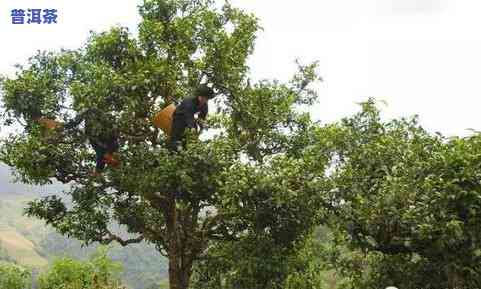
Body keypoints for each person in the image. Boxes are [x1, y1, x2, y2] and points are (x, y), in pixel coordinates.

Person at [64, 108, 120, 173]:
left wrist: (97, 173)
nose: (106, 162)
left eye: (108, 163)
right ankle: (63, 126)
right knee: (74, 123)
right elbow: (112, 128)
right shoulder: (114, 146)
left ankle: (64, 126)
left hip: (92, 130)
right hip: (96, 120)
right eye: (109, 161)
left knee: (75, 124)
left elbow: (100, 165)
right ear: (113, 158)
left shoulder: (102, 155)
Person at [168, 85, 215, 151]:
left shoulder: (204, 104)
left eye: (207, 99)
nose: (205, 101)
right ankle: (175, 147)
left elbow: (202, 116)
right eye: (205, 98)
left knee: (190, 141)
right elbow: (188, 116)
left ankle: (187, 149)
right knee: (176, 140)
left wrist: (202, 123)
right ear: (200, 96)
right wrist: (192, 127)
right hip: (179, 117)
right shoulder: (189, 101)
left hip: (190, 119)